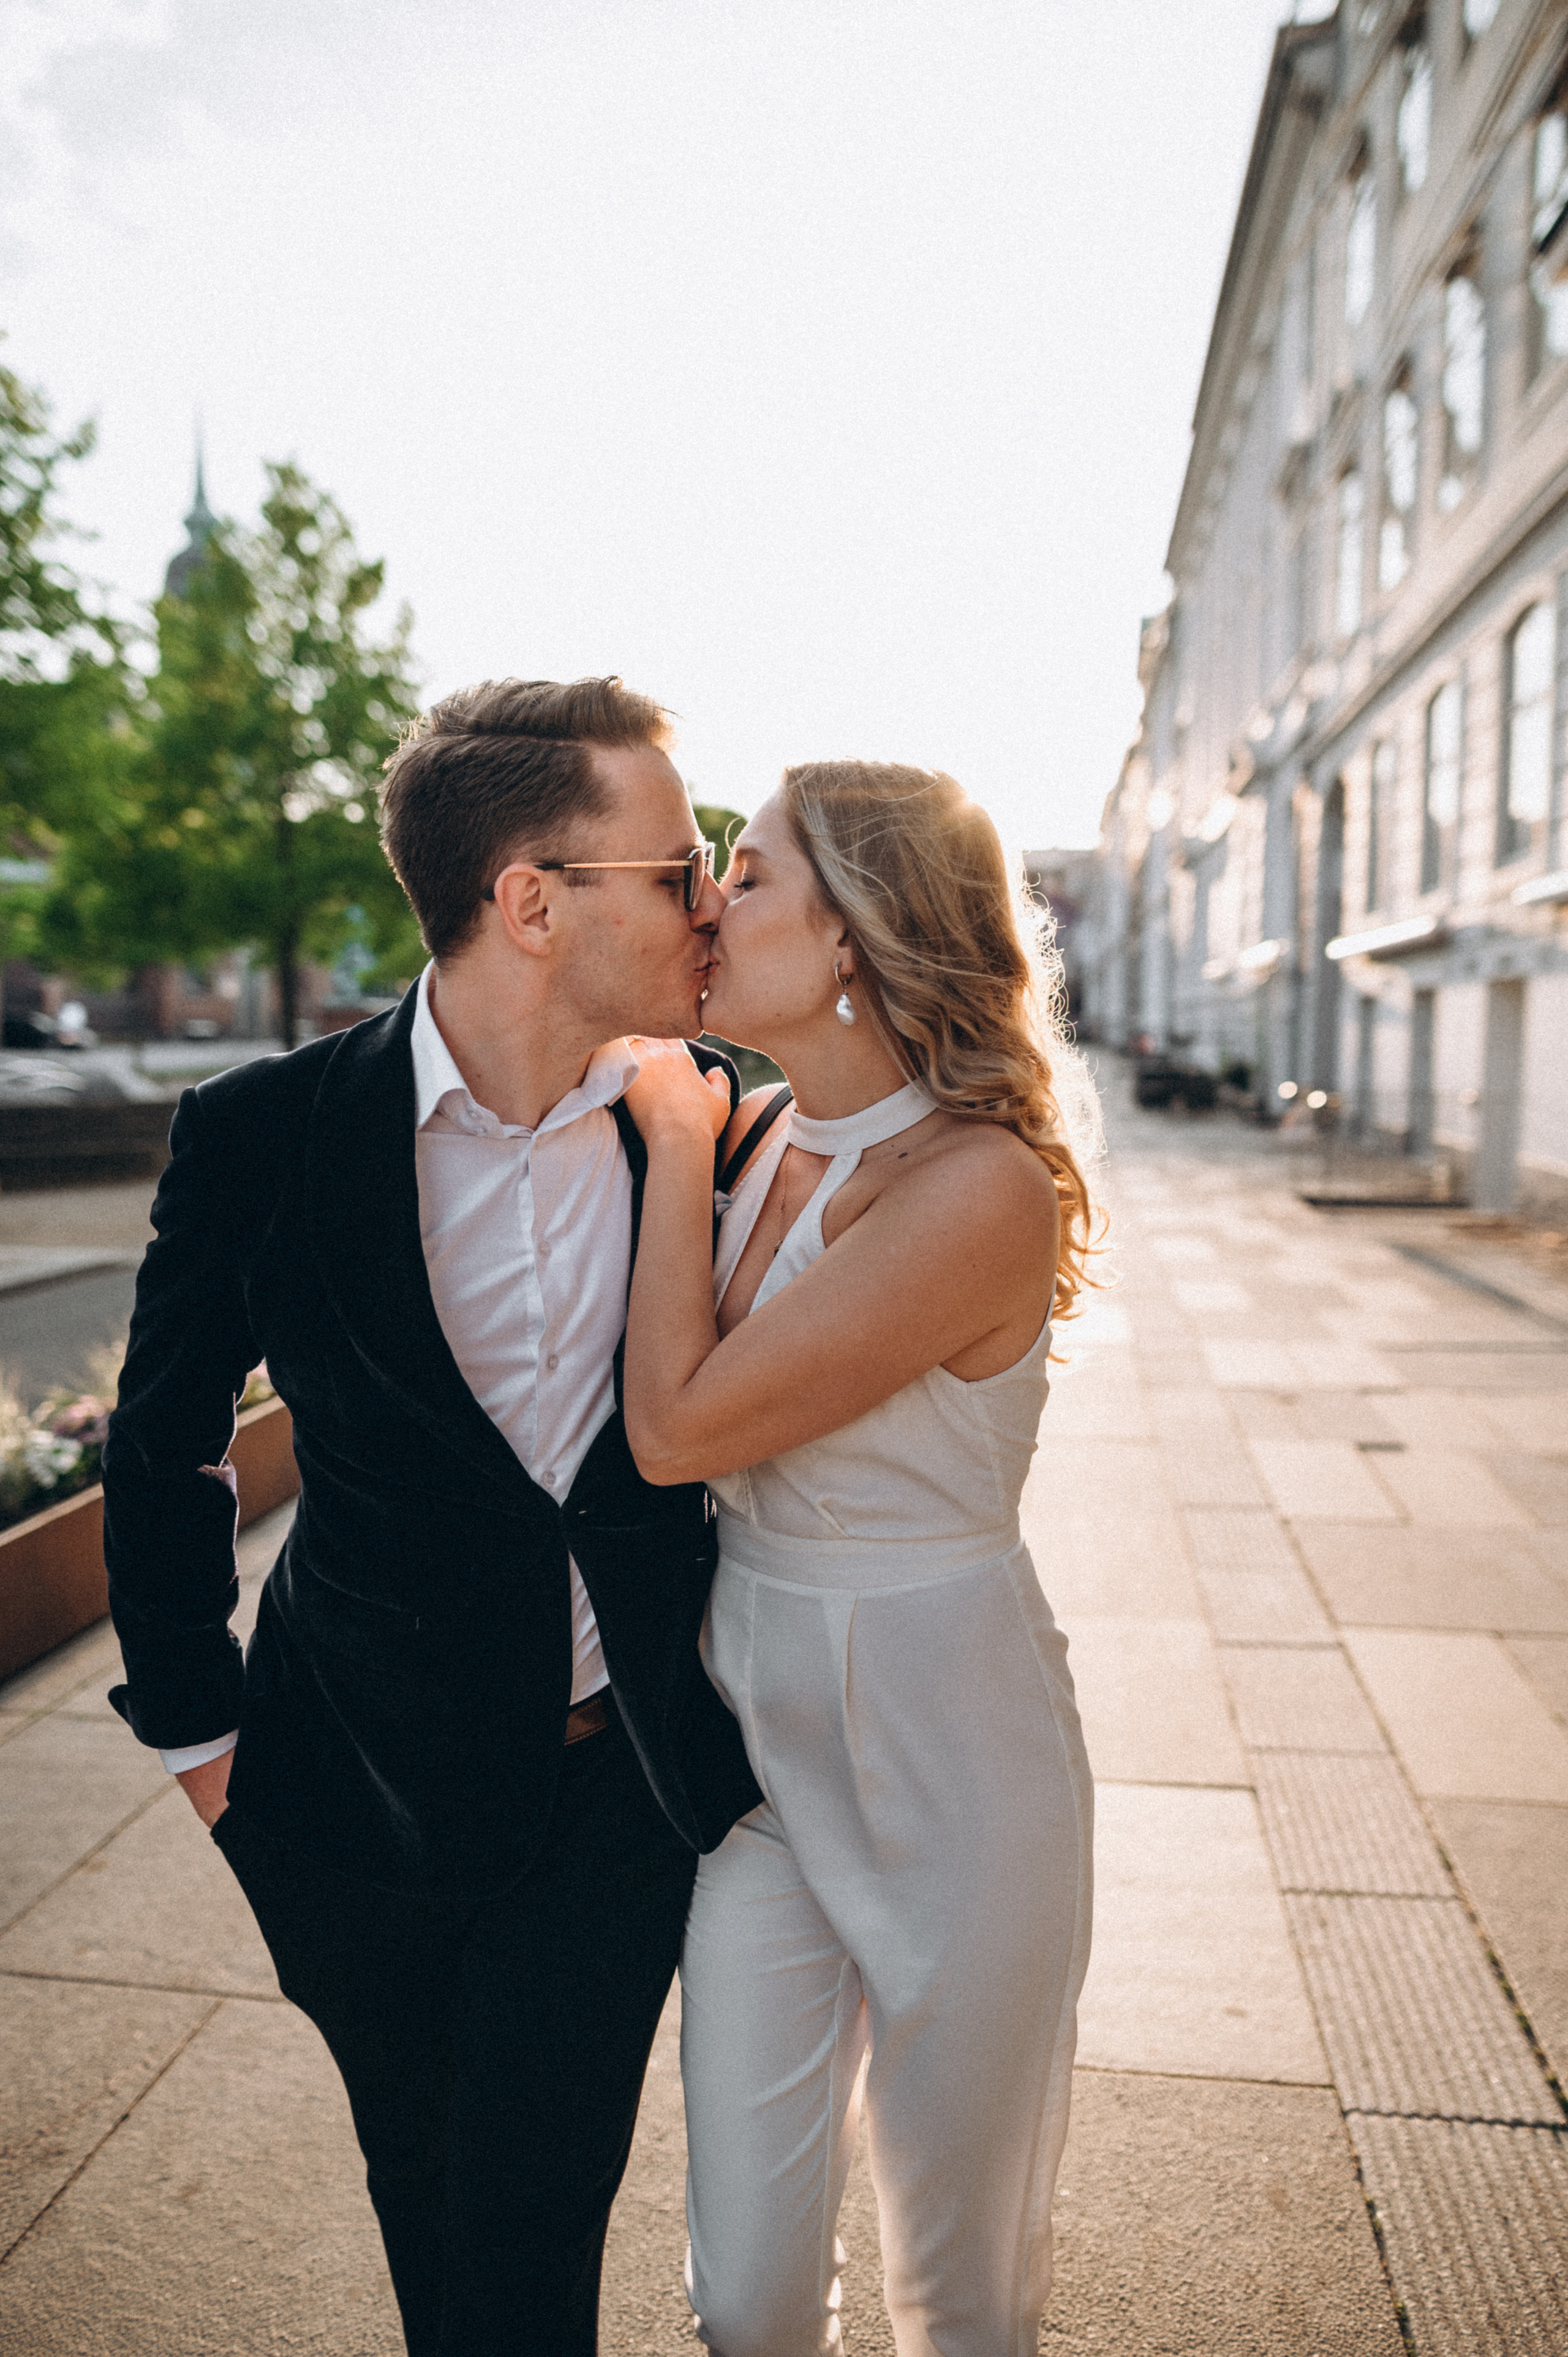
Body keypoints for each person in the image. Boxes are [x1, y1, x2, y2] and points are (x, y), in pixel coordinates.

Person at [101, 676, 762, 2357]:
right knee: (423, 2187)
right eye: (679, 867)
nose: (711, 902)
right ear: (530, 902)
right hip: (341, 1797)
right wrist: (204, 1749)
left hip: (615, 1796)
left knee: (535, 2217)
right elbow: (164, 1446)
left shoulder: (705, 1126)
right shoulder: (263, 1134)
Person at [619, 760, 1100, 2357]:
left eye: (747, 873)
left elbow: (679, 1431)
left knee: (961, 2289)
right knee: (745, 2294)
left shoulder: (980, 1186)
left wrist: (672, 1141)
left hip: (954, 1756)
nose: (707, 901)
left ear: (855, 935)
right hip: (754, 1754)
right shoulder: (759, 1130)